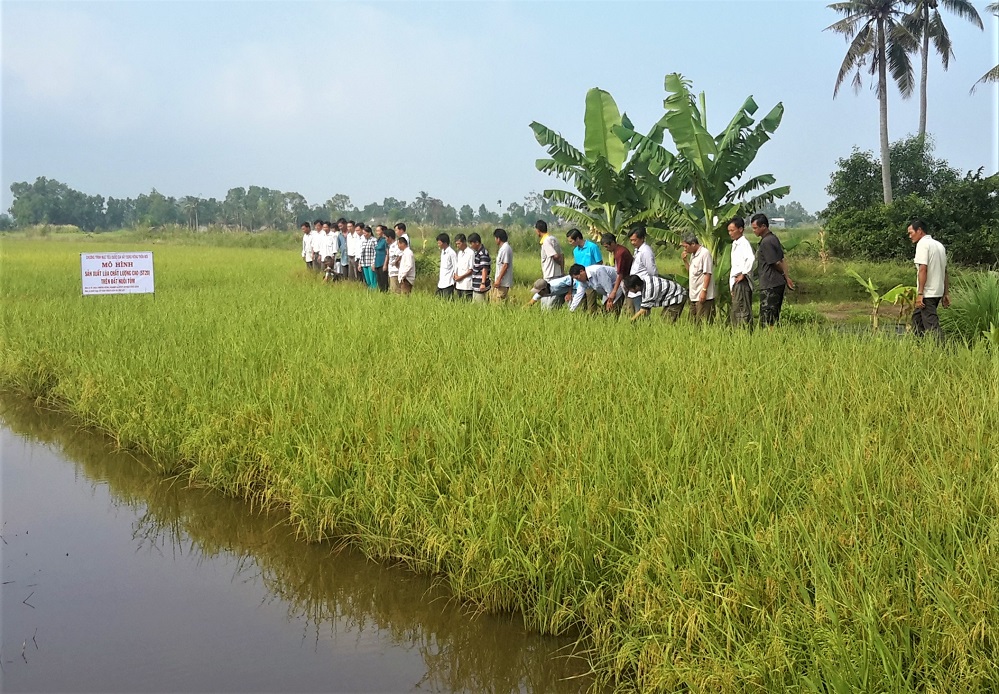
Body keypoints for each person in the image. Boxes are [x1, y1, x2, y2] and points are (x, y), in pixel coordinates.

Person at [907, 219, 949, 338]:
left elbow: (923, 269)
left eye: (911, 233)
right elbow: (945, 271)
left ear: (919, 230)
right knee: (917, 320)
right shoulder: (939, 245)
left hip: (928, 293)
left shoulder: (923, 244)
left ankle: (941, 348)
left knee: (931, 325)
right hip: (937, 291)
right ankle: (918, 346)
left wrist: (920, 293)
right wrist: (946, 293)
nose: (910, 236)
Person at [751, 213, 794, 327]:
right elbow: (782, 260)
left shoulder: (766, 242)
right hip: (776, 283)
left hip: (770, 284)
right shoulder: (773, 238)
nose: (753, 231)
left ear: (763, 226)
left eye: (755, 228)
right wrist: (786, 277)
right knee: (773, 315)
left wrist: (784, 275)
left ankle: (770, 337)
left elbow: (776, 262)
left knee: (768, 318)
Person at [680, 233, 716, 323]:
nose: (685, 249)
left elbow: (707, 273)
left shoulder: (704, 253)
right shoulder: (693, 255)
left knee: (703, 322)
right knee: (692, 323)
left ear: (693, 244)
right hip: (693, 295)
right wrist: (685, 261)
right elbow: (691, 272)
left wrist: (704, 291)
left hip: (702, 296)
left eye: (686, 246)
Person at [567, 228, 603, 312]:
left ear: (577, 239)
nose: (570, 243)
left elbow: (599, 263)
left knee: (591, 307)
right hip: (579, 282)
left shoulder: (592, 247)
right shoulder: (575, 251)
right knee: (581, 307)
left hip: (590, 281)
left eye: (571, 241)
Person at [728, 216, 754, 328]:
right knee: (736, 307)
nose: (730, 233)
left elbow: (750, 258)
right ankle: (738, 331)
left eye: (732, 230)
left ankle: (745, 331)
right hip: (736, 281)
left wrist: (744, 273)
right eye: (729, 231)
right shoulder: (736, 243)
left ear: (740, 229)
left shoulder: (744, 243)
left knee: (742, 309)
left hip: (741, 281)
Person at [601, 233, 634, 313]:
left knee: (628, 307)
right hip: (624, 281)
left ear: (612, 243)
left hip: (628, 281)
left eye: (607, 246)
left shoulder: (620, 253)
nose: (606, 249)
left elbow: (620, 274)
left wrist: (614, 291)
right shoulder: (617, 251)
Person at [628, 226, 657, 312]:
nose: (632, 242)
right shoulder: (637, 250)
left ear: (642, 238)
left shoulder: (646, 251)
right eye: (631, 240)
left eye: (635, 240)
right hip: (633, 289)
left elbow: (652, 271)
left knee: (641, 314)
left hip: (641, 289)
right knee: (631, 314)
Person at [469, 232, 491, 303]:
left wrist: (483, 283)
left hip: (480, 286)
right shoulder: (477, 252)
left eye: (471, 243)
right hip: (476, 285)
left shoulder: (483, 253)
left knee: (480, 305)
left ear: (477, 243)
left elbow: (484, 269)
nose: (470, 246)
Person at [493, 228, 513, 303]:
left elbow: (505, 265)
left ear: (498, 238)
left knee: (499, 303)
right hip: (501, 283)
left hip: (503, 283)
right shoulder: (503, 248)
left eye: (495, 238)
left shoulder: (505, 249)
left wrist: (499, 279)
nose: (495, 240)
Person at [453, 234, 475, 300]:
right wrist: (455, 275)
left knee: (467, 302)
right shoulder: (459, 253)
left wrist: (461, 277)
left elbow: (471, 269)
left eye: (459, 243)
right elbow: (457, 267)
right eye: (456, 244)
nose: (457, 246)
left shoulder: (471, 253)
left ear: (464, 242)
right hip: (459, 285)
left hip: (467, 285)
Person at [436, 232, 457, 299]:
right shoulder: (443, 252)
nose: (438, 245)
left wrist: (455, 280)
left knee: (447, 300)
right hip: (441, 282)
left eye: (439, 243)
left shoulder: (451, 253)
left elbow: (456, 267)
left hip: (448, 282)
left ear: (445, 243)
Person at [374, 225, 389, 291]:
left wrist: (385, 264)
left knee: (384, 280)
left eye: (378, 231)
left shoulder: (385, 240)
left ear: (383, 231)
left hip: (382, 263)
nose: (377, 232)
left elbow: (387, 253)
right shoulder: (378, 240)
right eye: (376, 231)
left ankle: (385, 292)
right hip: (377, 263)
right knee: (379, 280)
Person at [386, 228, 402, 293]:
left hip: (396, 272)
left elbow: (400, 255)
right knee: (392, 289)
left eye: (385, 238)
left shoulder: (396, 245)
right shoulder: (390, 246)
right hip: (391, 271)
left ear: (389, 238)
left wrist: (395, 262)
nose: (385, 240)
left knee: (395, 290)